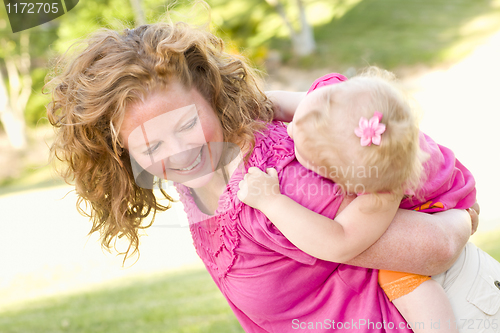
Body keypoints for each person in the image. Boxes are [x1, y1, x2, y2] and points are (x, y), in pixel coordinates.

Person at [45, 20, 494, 333]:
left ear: (209, 95)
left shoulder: (280, 181)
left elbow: (432, 249)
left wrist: (463, 214)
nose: (180, 150)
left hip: (461, 313)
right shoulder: (201, 177)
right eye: (153, 144)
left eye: (186, 124)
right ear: (122, 151)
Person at [237, 69, 476, 333]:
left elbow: (339, 241)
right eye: (296, 123)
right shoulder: (335, 105)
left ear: (347, 183)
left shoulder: (381, 191)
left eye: (298, 146)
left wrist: (271, 201)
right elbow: (276, 104)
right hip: (444, 173)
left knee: (400, 274)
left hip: (441, 205)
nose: (290, 129)